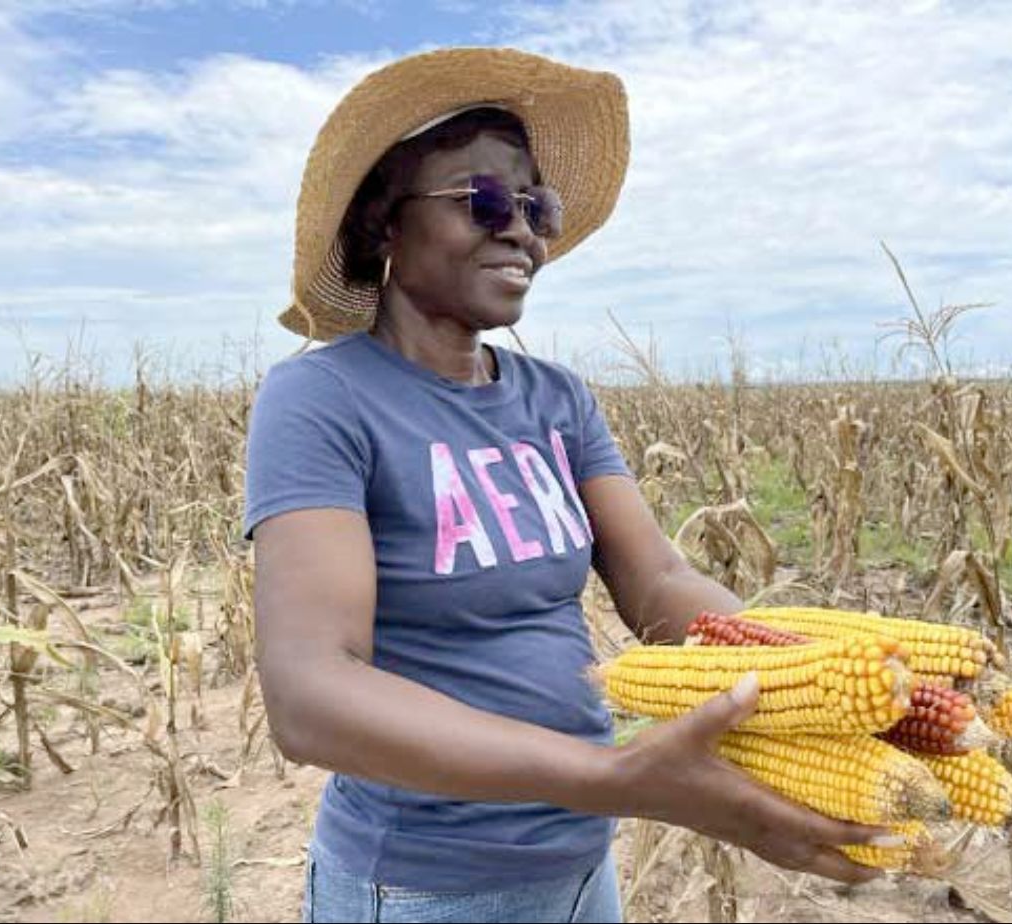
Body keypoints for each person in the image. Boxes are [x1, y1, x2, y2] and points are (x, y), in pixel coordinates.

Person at [244, 47, 892, 924]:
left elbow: (656, 582)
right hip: (423, 886)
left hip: (582, 865)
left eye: (534, 204)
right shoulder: (323, 396)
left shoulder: (557, 399)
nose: (521, 229)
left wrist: (798, 674)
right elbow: (310, 693)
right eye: (483, 198)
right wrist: (613, 779)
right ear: (384, 226)